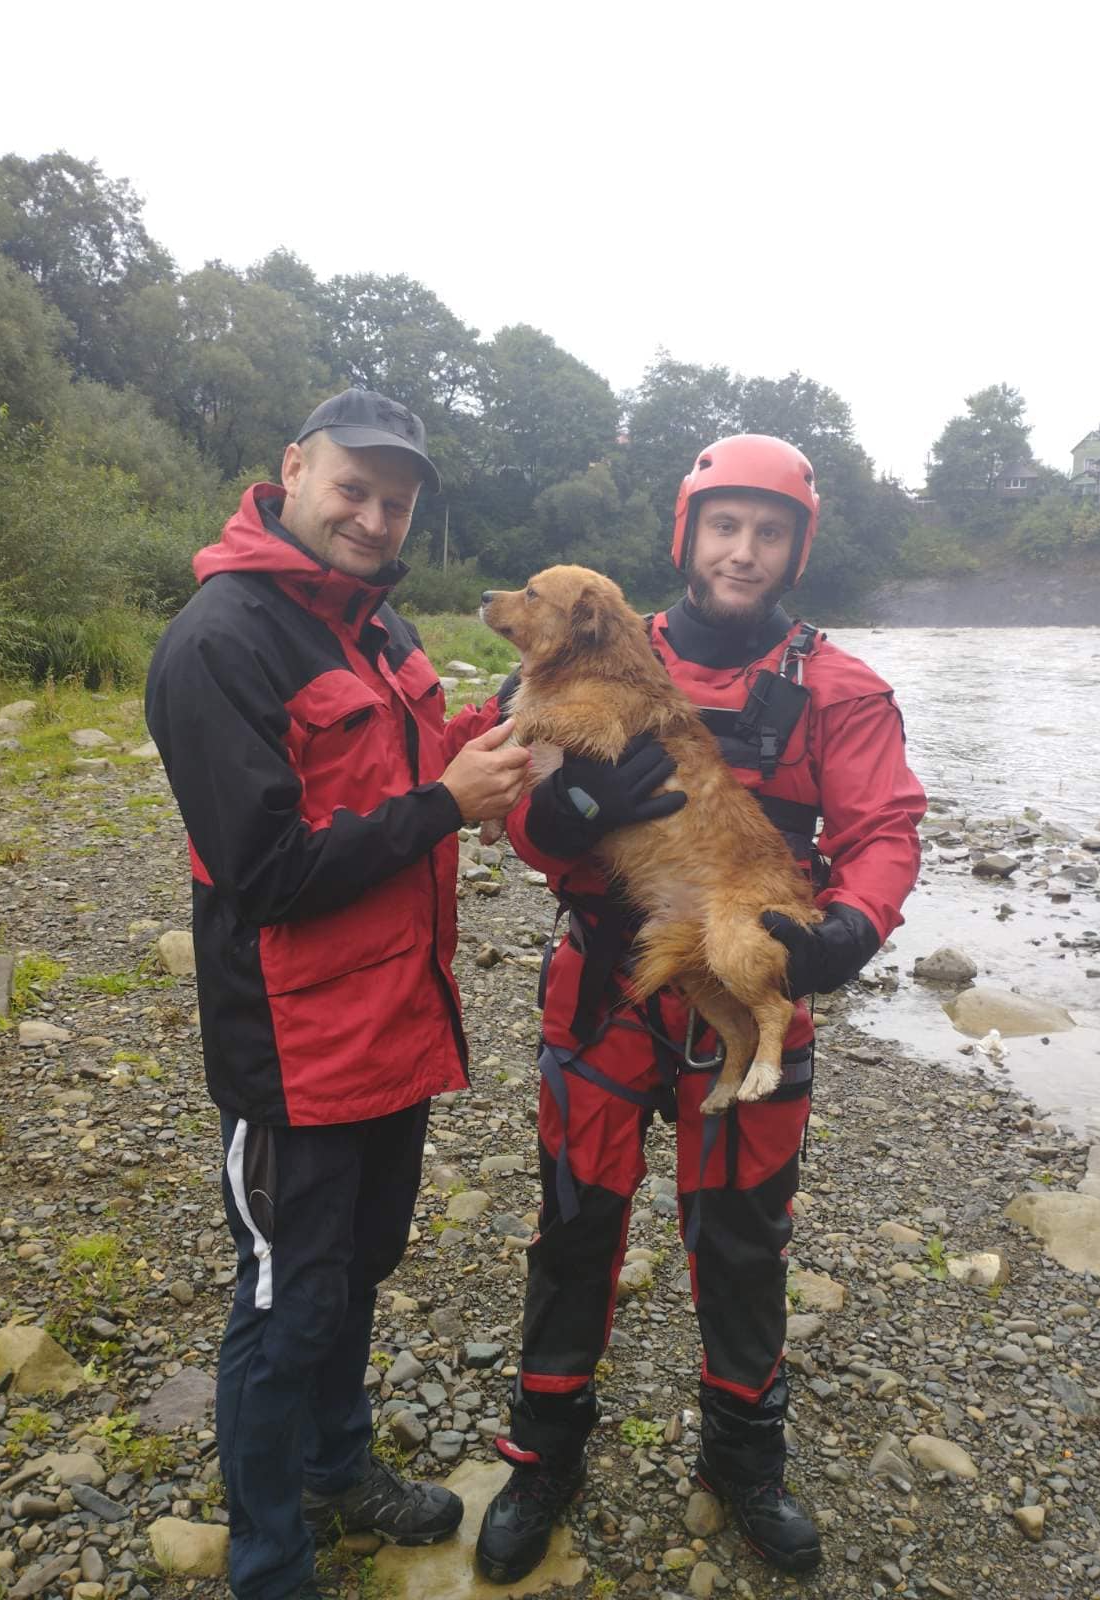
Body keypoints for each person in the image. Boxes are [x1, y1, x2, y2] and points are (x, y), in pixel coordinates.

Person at [475, 435, 926, 1583]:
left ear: (792, 549)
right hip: (606, 982)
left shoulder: (837, 686)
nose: (743, 549)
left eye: (767, 532)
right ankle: (543, 1456)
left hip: (749, 964)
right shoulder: (576, 651)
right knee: (575, 1226)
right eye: (722, 526)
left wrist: (851, 929)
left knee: (741, 1237)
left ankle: (743, 1460)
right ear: (686, 536)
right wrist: (566, 813)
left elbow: (880, 833)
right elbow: (498, 796)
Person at [145, 388, 530, 1600]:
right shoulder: (219, 641)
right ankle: (266, 1562)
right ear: (292, 470)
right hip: (293, 1053)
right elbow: (264, 874)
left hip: (395, 1033)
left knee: (355, 1274)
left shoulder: (385, 629)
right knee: (281, 1303)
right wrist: (444, 805)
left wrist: (513, 721)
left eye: (395, 500)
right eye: (352, 490)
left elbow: (420, 765)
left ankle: (337, 1465)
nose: (372, 517)